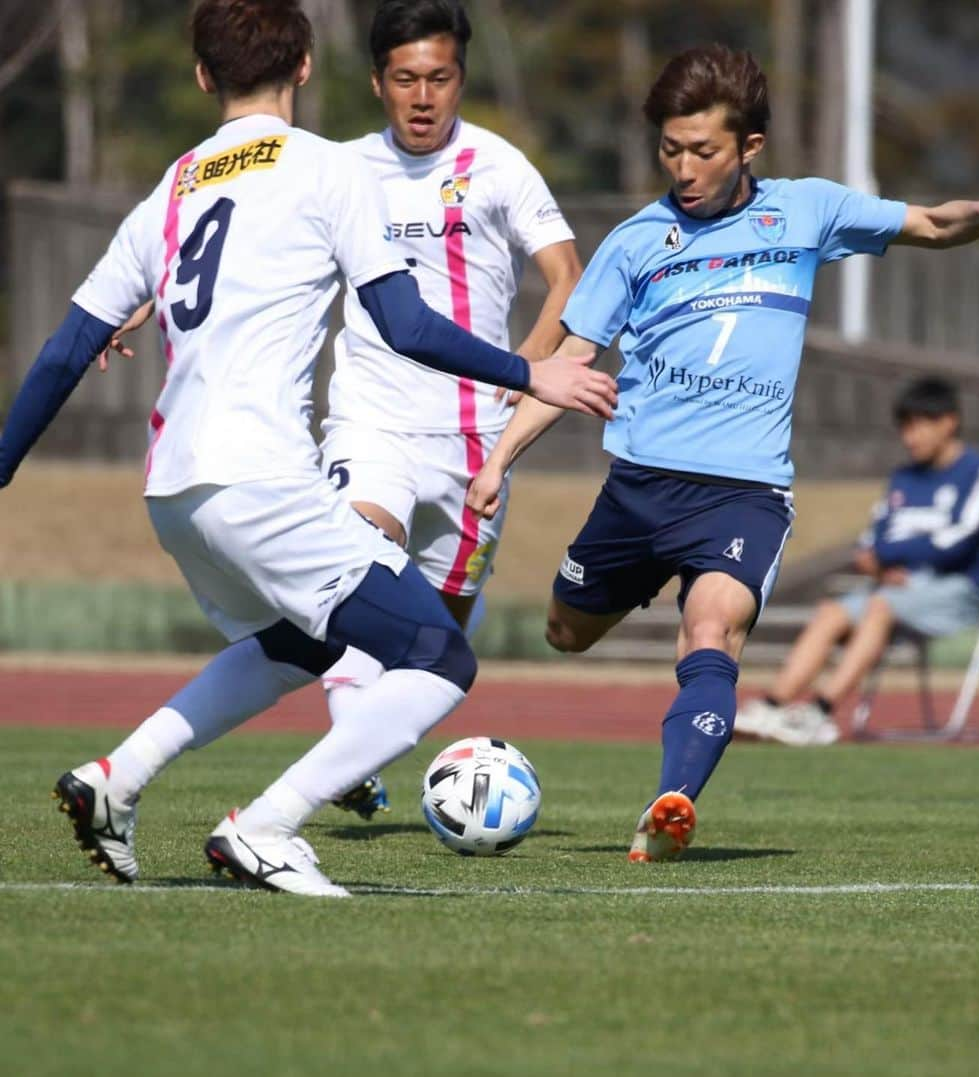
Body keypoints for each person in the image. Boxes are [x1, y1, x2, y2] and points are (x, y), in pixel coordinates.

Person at [0, 0, 615, 897]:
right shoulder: (329, 170)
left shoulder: (173, 186)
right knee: (439, 658)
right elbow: (405, 324)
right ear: (305, 67)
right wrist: (535, 376)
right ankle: (267, 827)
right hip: (262, 480)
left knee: (302, 645)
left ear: (205, 77)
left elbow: (61, 351)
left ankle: (115, 778)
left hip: (173, 489)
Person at [466, 44, 979, 863]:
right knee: (567, 631)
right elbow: (565, 369)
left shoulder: (804, 211)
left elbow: (927, 223)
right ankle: (665, 761)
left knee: (713, 629)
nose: (684, 168)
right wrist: (500, 461)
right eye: (671, 150)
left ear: (749, 148)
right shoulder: (636, 242)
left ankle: (671, 800)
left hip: (742, 492)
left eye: (703, 150)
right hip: (637, 487)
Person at [317, 0, 583, 819]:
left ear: (460, 77)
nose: (423, 96)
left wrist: (526, 372)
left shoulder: (499, 165)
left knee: (435, 647)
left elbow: (568, 275)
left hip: (475, 444)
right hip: (372, 420)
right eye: (406, 79)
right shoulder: (340, 169)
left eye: (439, 77)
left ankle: (359, 752)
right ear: (378, 83)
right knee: (355, 562)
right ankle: (340, 765)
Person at [736, 376, 979, 746]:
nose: (909, 437)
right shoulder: (903, 478)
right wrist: (884, 566)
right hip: (897, 587)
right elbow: (870, 544)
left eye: (918, 426)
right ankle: (772, 708)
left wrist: (889, 561)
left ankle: (817, 714)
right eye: (904, 428)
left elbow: (956, 543)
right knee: (831, 612)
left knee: (881, 605)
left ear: (948, 422)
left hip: (963, 591)